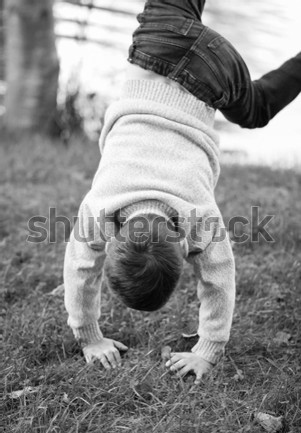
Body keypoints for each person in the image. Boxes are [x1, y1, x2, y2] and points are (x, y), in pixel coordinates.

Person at [64, 0, 301, 385]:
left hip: (214, 72)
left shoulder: (199, 217)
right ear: (111, 243)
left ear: (182, 249)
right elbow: (79, 267)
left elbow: (219, 276)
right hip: (159, 41)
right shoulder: (100, 207)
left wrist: (208, 349)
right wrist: (88, 336)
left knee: (257, 108)